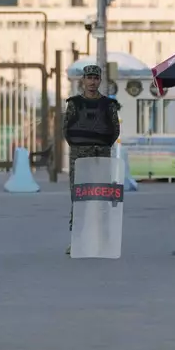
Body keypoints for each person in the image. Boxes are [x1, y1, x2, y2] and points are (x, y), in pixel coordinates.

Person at [63, 65, 121, 254]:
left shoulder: (108, 105)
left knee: (102, 199)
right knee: (79, 199)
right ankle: (77, 241)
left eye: (96, 78)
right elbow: (67, 130)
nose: (92, 82)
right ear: (84, 80)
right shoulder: (74, 104)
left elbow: (114, 130)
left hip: (101, 156)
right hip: (79, 157)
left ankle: (102, 241)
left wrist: (101, 146)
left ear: (100, 80)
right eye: (89, 78)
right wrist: (81, 146)